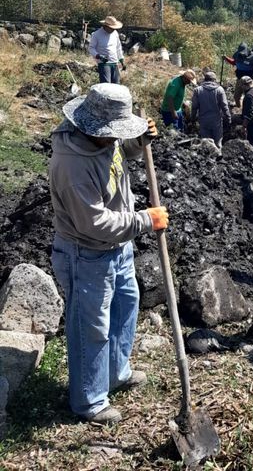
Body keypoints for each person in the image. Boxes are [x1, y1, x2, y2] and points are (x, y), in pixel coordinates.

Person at [49, 83, 169, 425]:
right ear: (91, 128)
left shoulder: (103, 140)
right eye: (114, 134)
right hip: (85, 253)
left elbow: (116, 155)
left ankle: (116, 373)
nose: (116, 139)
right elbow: (96, 224)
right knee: (92, 328)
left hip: (117, 248)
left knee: (125, 309)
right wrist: (146, 219)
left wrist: (137, 143)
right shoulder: (72, 166)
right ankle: (89, 401)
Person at [191, 70, 231, 148]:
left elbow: (194, 107)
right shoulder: (220, 90)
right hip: (216, 121)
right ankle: (219, 157)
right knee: (218, 143)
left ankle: (207, 159)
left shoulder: (198, 90)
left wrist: (193, 118)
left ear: (205, 79)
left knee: (205, 144)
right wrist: (228, 118)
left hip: (203, 121)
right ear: (214, 80)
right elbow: (224, 106)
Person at [88, 16, 126, 84]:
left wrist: (121, 60)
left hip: (114, 62)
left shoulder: (115, 33)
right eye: (112, 28)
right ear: (105, 26)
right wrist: (99, 56)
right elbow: (91, 48)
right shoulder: (96, 34)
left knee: (116, 84)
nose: (113, 30)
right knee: (106, 84)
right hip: (104, 63)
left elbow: (118, 47)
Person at [239, 75, 253, 147]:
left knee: (252, 144)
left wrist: (244, 126)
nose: (241, 88)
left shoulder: (249, 95)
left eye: (241, 85)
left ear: (245, 85)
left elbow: (250, 112)